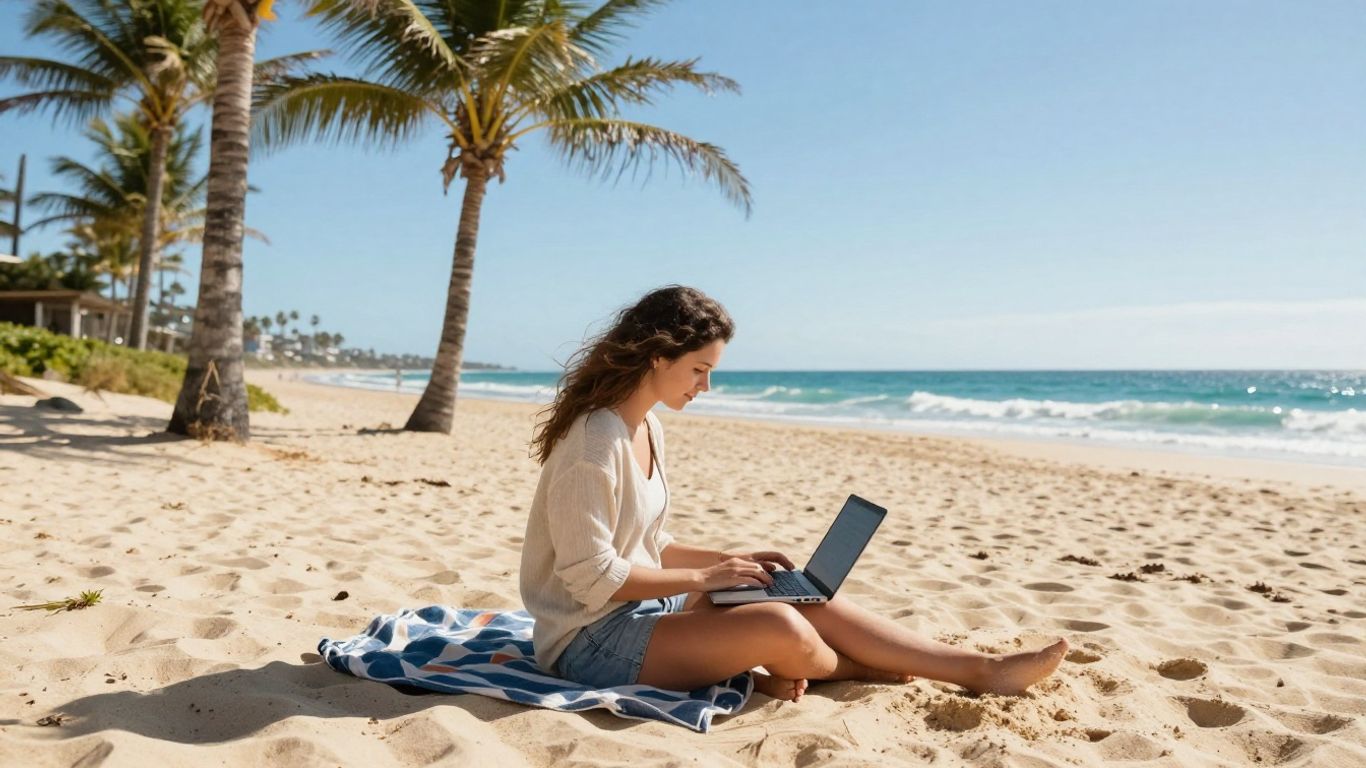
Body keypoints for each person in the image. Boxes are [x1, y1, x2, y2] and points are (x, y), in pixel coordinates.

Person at [519, 286, 1067, 701]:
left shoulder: (647, 427)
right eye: (699, 369)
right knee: (780, 624)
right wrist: (706, 579)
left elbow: (648, 544)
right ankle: (851, 670)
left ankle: (982, 669)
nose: (705, 386)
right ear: (658, 357)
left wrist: (733, 561)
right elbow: (592, 576)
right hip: (588, 641)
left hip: (642, 607)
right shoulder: (594, 445)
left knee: (799, 595)